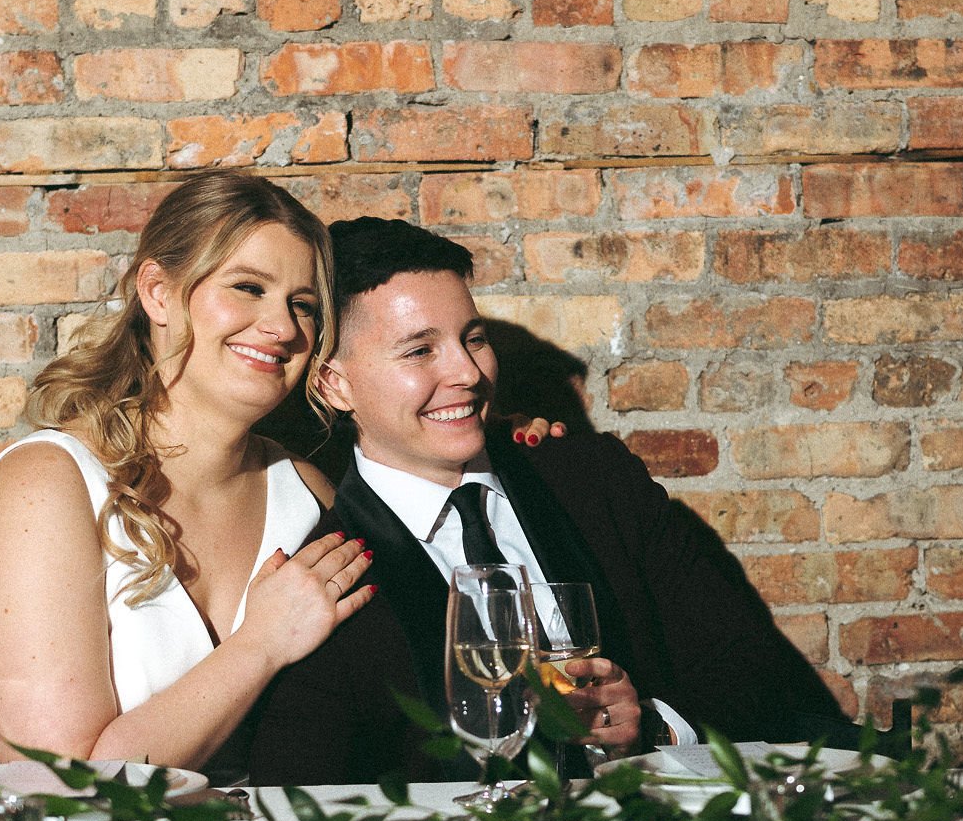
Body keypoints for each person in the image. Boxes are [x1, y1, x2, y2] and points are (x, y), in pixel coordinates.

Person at [247, 217, 860, 784]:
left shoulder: (593, 480)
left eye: (474, 338)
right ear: (335, 382)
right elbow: (308, 785)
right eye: (420, 350)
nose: (467, 372)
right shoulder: (329, 570)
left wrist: (653, 725)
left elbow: (757, 679)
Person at [0, 170, 375, 778]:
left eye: (302, 305)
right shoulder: (46, 486)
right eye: (248, 287)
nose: (282, 327)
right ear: (158, 293)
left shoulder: (306, 491)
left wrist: (501, 445)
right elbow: (61, 779)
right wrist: (262, 645)